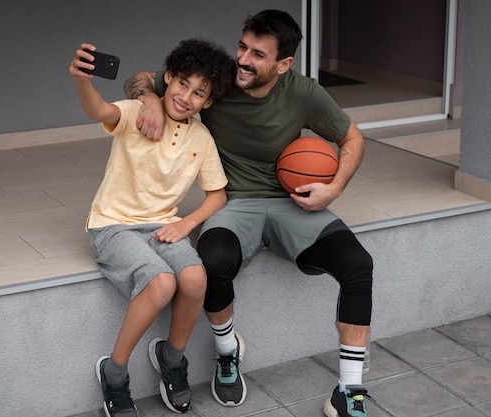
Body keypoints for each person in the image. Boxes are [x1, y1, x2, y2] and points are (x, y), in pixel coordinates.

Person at [123, 9, 374, 417]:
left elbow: (351, 137)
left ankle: (349, 390)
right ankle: (227, 353)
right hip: (232, 202)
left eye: (258, 54)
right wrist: (149, 98)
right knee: (213, 261)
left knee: (358, 264)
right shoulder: (220, 80)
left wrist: (335, 187)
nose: (243, 59)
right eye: (243, 46)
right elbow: (146, 79)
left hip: (291, 202)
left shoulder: (304, 92)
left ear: (283, 64)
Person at [70, 38, 235, 417]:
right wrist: (83, 81)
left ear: (207, 103)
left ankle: (172, 359)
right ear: (169, 78)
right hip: (113, 225)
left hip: (162, 225)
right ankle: (113, 373)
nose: (186, 97)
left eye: (199, 93)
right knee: (162, 282)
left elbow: (217, 194)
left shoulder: (201, 138)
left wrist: (187, 224)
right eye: (182, 84)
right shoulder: (136, 113)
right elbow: (100, 109)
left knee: (194, 276)